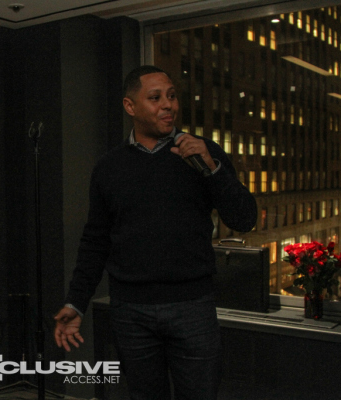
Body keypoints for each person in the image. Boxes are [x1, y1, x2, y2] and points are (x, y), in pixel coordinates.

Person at [53, 65, 257, 400]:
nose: (168, 105)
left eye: (172, 96)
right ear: (130, 106)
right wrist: (76, 302)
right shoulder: (109, 167)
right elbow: (95, 241)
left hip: (192, 308)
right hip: (131, 312)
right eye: (156, 97)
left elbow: (244, 218)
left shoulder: (202, 152)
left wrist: (212, 168)